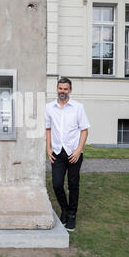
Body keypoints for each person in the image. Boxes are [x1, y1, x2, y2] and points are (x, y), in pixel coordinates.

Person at [45, 77, 90, 232]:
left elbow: (84, 130)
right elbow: (48, 128)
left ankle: (71, 215)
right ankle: (64, 209)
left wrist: (78, 150)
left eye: (65, 89)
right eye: (60, 88)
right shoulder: (49, 107)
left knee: (73, 185)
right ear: (57, 89)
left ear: (70, 90)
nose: (62, 91)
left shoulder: (78, 107)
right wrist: (48, 148)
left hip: (73, 153)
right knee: (56, 184)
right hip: (57, 152)